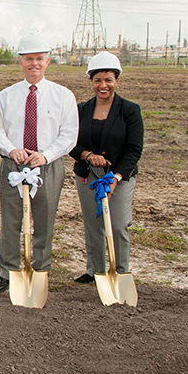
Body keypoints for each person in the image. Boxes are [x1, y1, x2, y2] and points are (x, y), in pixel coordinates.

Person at [0, 32, 78, 294]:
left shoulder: (63, 96)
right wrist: (11, 149)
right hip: (13, 165)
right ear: (20, 62)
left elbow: (69, 134)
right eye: (29, 59)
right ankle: (7, 272)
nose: (34, 63)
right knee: (10, 221)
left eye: (39, 58)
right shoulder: (6, 96)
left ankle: (40, 271)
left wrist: (45, 155)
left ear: (48, 61)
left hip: (47, 166)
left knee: (44, 221)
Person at [69, 51, 143, 283]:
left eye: (108, 80)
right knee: (94, 225)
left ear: (117, 81)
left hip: (119, 177)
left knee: (118, 225)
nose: (103, 85)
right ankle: (96, 271)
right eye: (98, 80)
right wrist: (87, 155)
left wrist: (116, 177)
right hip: (89, 176)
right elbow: (70, 142)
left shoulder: (130, 110)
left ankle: (120, 273)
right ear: (91, 81)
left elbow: (134, 149)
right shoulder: (81, 110)